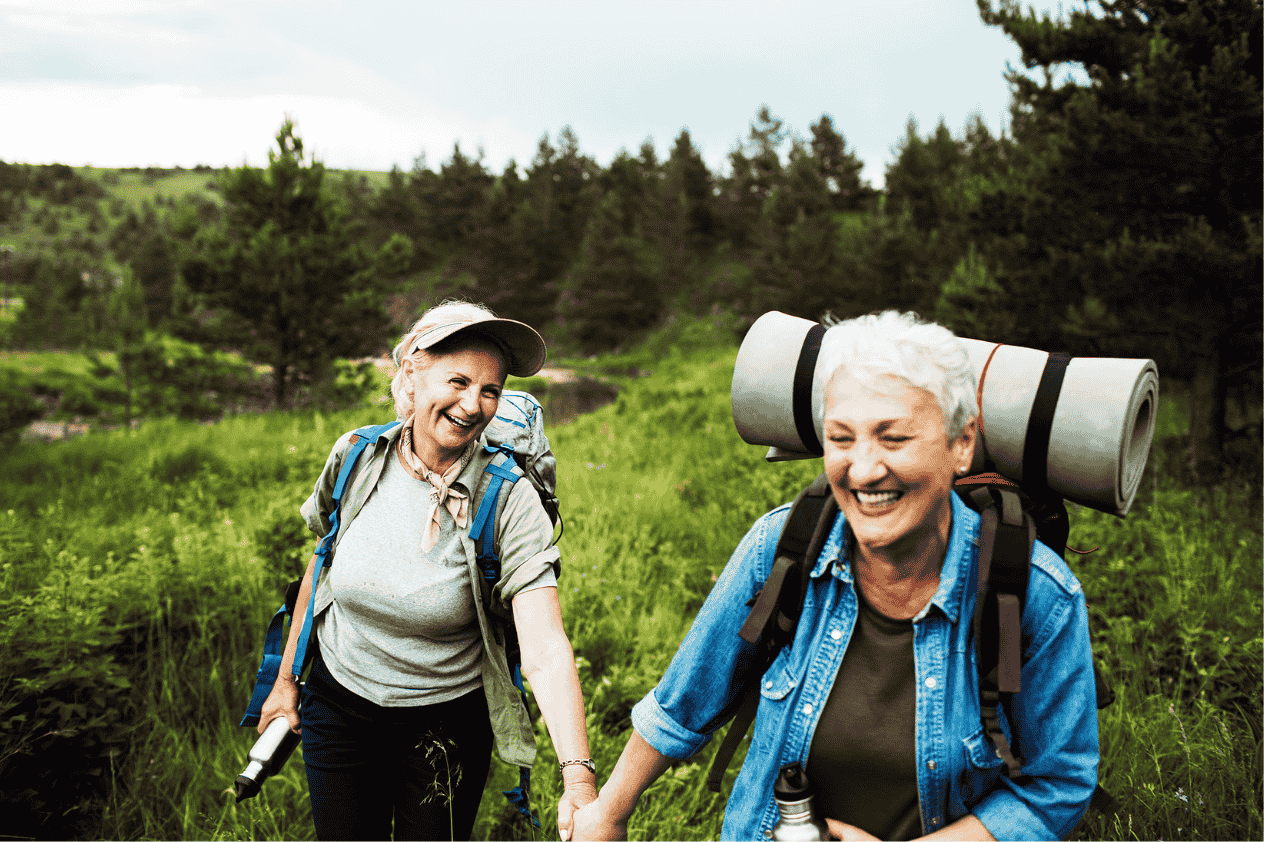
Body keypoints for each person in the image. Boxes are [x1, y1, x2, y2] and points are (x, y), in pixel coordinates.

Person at [572, 311, 1099, 841]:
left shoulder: (1036, 594)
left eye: (893, 438)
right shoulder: (781, 548)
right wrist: (609, 812)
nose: (864, 470)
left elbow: (1056, 785)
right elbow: (686, 699)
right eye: (842, 439)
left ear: (960, 444)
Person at [257, 301, 596, 840]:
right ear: (413, 373)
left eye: (490, 390)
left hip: (445, 727)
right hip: (337, 707)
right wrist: (284, 683)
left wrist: (577, 777)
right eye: (458, 381)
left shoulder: (508, 499)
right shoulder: (356, 456)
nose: (473, 404)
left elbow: (545, 644)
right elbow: (320, 568)